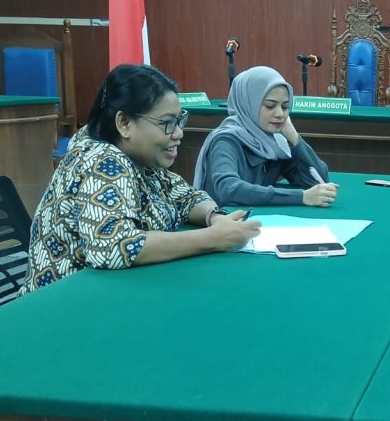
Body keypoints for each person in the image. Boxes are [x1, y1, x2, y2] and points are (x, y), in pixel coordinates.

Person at [21, 64, 260, 293]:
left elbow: (184, 197)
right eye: (167, 123)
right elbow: (113, 246)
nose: (179, 133)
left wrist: (215, 218)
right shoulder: (102, 161)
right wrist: (214, 238)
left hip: (113, 290)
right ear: (124, 123)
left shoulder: (139, 157)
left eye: (179, 121)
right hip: (66, 302)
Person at [193, 66, 338, 208]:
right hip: (224, 220)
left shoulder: (275, 143)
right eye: (270, 106)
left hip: (256, 219)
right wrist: (301, 197)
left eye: (285, 107)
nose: (280, 114)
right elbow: (229, 190)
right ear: (250, 104)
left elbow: (318, 181)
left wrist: (294, 138)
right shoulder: (226, 140)